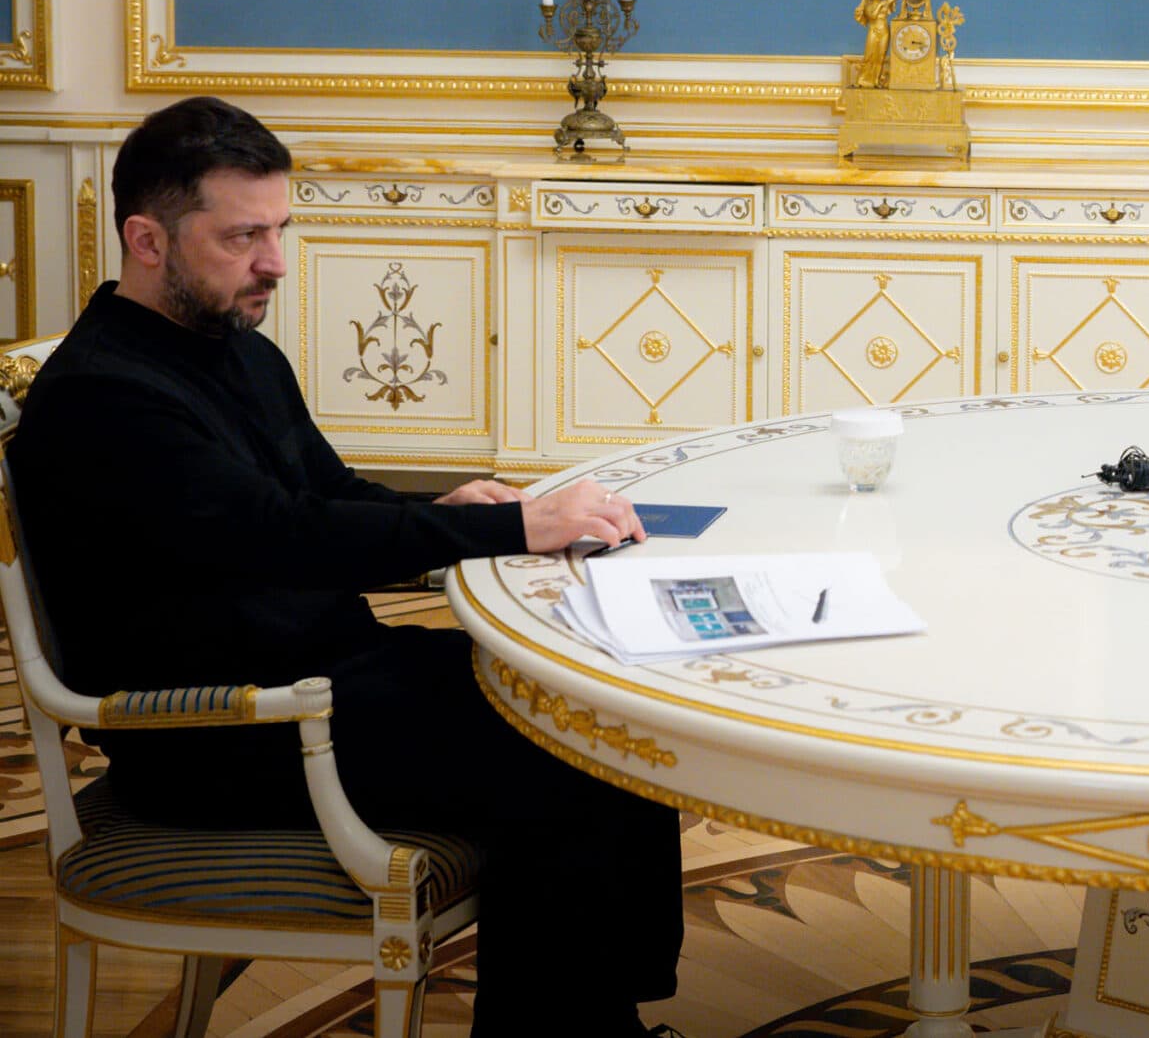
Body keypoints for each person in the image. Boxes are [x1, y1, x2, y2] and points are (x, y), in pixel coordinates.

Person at [9, 97, 682, 1038]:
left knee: (596, 712)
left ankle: (601, 1018)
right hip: (223, 735)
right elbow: (288, 534)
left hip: (325, 679)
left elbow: (327, 491)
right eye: (244, 235)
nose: (275, 261)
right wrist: (519, 526)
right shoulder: (105, 398)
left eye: (280, 228)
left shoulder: (232, 349)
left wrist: (445, 507)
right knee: (568, 765)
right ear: (146, 238)